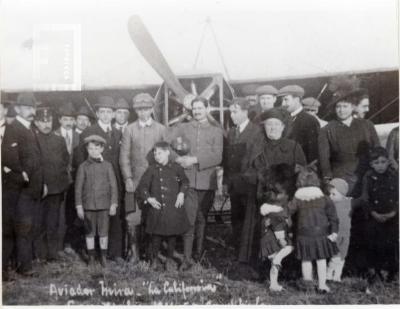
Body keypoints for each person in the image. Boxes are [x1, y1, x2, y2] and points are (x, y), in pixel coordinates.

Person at [318, 87, 380, 276]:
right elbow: (323, 161)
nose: (341, 110)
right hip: (340, 183)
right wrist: (329, 184)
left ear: (353, 106)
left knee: (363, 222)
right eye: (338, 107)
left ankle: (361, 265)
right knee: (341, 225)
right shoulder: (327, 129)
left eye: (345, 106)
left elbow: (377, 151)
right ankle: (338, 264)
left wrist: (374, 176)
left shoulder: (366, 125)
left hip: (364, 180)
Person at [170, 96, 223, 270]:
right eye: (195, 109)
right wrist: (178, 159)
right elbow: (169, 147)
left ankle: (198, 255)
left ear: (207, 109)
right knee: (189, 219)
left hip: (207, 182)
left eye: (201, 108)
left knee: (201, 219)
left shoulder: (216, 130)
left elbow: (217, 156)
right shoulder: (183, 127)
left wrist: (194, 159)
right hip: (188, 182)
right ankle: (186, 259)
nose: (198, 111)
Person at [119, 92, 168, 262]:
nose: (143, 113)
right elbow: (124, 157)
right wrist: (127, 178)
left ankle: (152, 253)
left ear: (152, 109)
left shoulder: (161, 129)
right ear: (135, 110)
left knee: (154, 217)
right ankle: (135, 253)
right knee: (133, 218)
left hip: (155, 182)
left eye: (146, 109)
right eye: (139, 110)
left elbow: (167, 155)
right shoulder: (129, 130)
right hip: (135, 182)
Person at [77, 95, 123, 261]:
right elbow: (81, 159)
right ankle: (92, 253)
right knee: (92, 221)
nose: (105, 115)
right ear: (97, 114)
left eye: (108, 112)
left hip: (114, 181)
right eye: (102, 112)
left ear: (113, 115)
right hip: (93, 184)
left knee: (114, 216)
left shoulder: (118, 133)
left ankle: (114, 253)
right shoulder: (89, 132)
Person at [5, 93, 45, 276]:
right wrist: (23, 174)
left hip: (33, 188)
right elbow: (9, 157)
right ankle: (23, 267)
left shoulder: (30, 128)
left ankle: (25, 263)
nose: (31, 111)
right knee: (23, 227)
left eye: (33, 108)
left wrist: (41, 183)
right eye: (27, 108)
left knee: (29, 227)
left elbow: (36, 158)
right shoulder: (14, 128)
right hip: (22, 189)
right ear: (18, 108)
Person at [222, 97, 264, 269]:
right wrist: (226, 181)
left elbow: (255, 160)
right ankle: (237, 249)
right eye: (230, 111)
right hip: (234, 184)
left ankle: (248, 254)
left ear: (245, 112)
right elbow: (227, 159)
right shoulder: (231, 132)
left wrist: (246, 178)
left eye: (235, 111)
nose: (232, 115)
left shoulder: (256, 132)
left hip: (248, 184)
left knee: (249, 219)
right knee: (236, 217)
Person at [137, 141, 190, 271]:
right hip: (157, 208)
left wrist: (182, 194)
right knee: (156, 235)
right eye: (155, 153)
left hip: (173, 208)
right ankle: (154, 259)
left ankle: (169, 259)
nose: (156, 156)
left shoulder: (176, 168)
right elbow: (142, 187)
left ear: (167, 153)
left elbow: (185, 182)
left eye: (159, 153)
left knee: (172, 235)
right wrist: (149, 198)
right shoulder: (151, 169)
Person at [289, 164, 339, 293]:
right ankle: (322, 285)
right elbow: (334, 218)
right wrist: (334, 232)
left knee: (306, 260)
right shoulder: (324, 198)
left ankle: (308, 285)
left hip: (304, 234)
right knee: (321, 260)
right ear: (316, 181)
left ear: (299, 182)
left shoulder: (297, 199)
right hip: (321, 234)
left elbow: (288, 211)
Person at [75, 135, 119, 267]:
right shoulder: (83, 167)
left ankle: (103, 257)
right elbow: (78, 188)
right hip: (88, 205)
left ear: (102, 149)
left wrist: (113, 204)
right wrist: (79, 206)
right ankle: (92, 257)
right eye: (90, 149)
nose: (93, 151)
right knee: (89, 232)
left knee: (103, 232)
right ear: (87, 150)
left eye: (96, 148)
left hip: (104, 205)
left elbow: (113, 186)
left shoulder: (107, 166)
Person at [34, 107, 69, 262]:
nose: (46, 124)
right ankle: (39, 254)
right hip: (39, 189)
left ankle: (52, 254)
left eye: (48, 121)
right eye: (42, 121)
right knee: (38, 221)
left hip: (55, 189)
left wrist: (60, 183)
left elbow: (65, 160)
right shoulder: (32, 139)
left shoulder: (59, 140)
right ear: (36, 122)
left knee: (53, 222)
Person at [360, 147, 399, 284]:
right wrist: (373, 213)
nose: (380, 166)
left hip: (392, 216)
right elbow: (365, 198)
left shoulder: (394, 175)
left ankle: (392, 271)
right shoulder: (368, 177)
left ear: (388, 162)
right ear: (371, 164)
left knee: (391, 243)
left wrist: (394, 212)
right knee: (375, 243)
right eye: (376, 163)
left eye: (383, 162)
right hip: (374, 216)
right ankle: (377, 271)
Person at [258, 164, 295, 292]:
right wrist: (281, 240)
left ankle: (274, 283)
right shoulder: (277, 211)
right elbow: (278, 227)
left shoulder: (271, 208)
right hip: (273, 240)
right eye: (285, 195)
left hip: (268, 238)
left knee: (274, 262)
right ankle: (273, 283)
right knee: (288, 249)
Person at [55, 102, 81, 254]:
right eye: (65, 119)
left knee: (72, 211)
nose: (69, 122)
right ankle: (57, 245)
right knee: (58, 212)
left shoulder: (79, 136)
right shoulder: (53, 135)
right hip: (58, 180)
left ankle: (69, 243)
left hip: (74, 181)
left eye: (71, 119)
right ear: (59, 120)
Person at [278, 85, 320, 164]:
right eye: (282, 100)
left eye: (286, 100)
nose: (283, 103)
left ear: (296, 99)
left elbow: (313, 152)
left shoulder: (310, 120)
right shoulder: (283, 119)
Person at [326, 178, 353, 282]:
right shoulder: (330, 206)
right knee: (335, 256)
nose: (330, 196)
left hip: (346, 234)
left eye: (333, 194)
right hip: (336, 234)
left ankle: (337, 276)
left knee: (342, 256)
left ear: (342, 194)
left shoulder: (349, 202)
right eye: (330, 194)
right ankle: (328, 274)